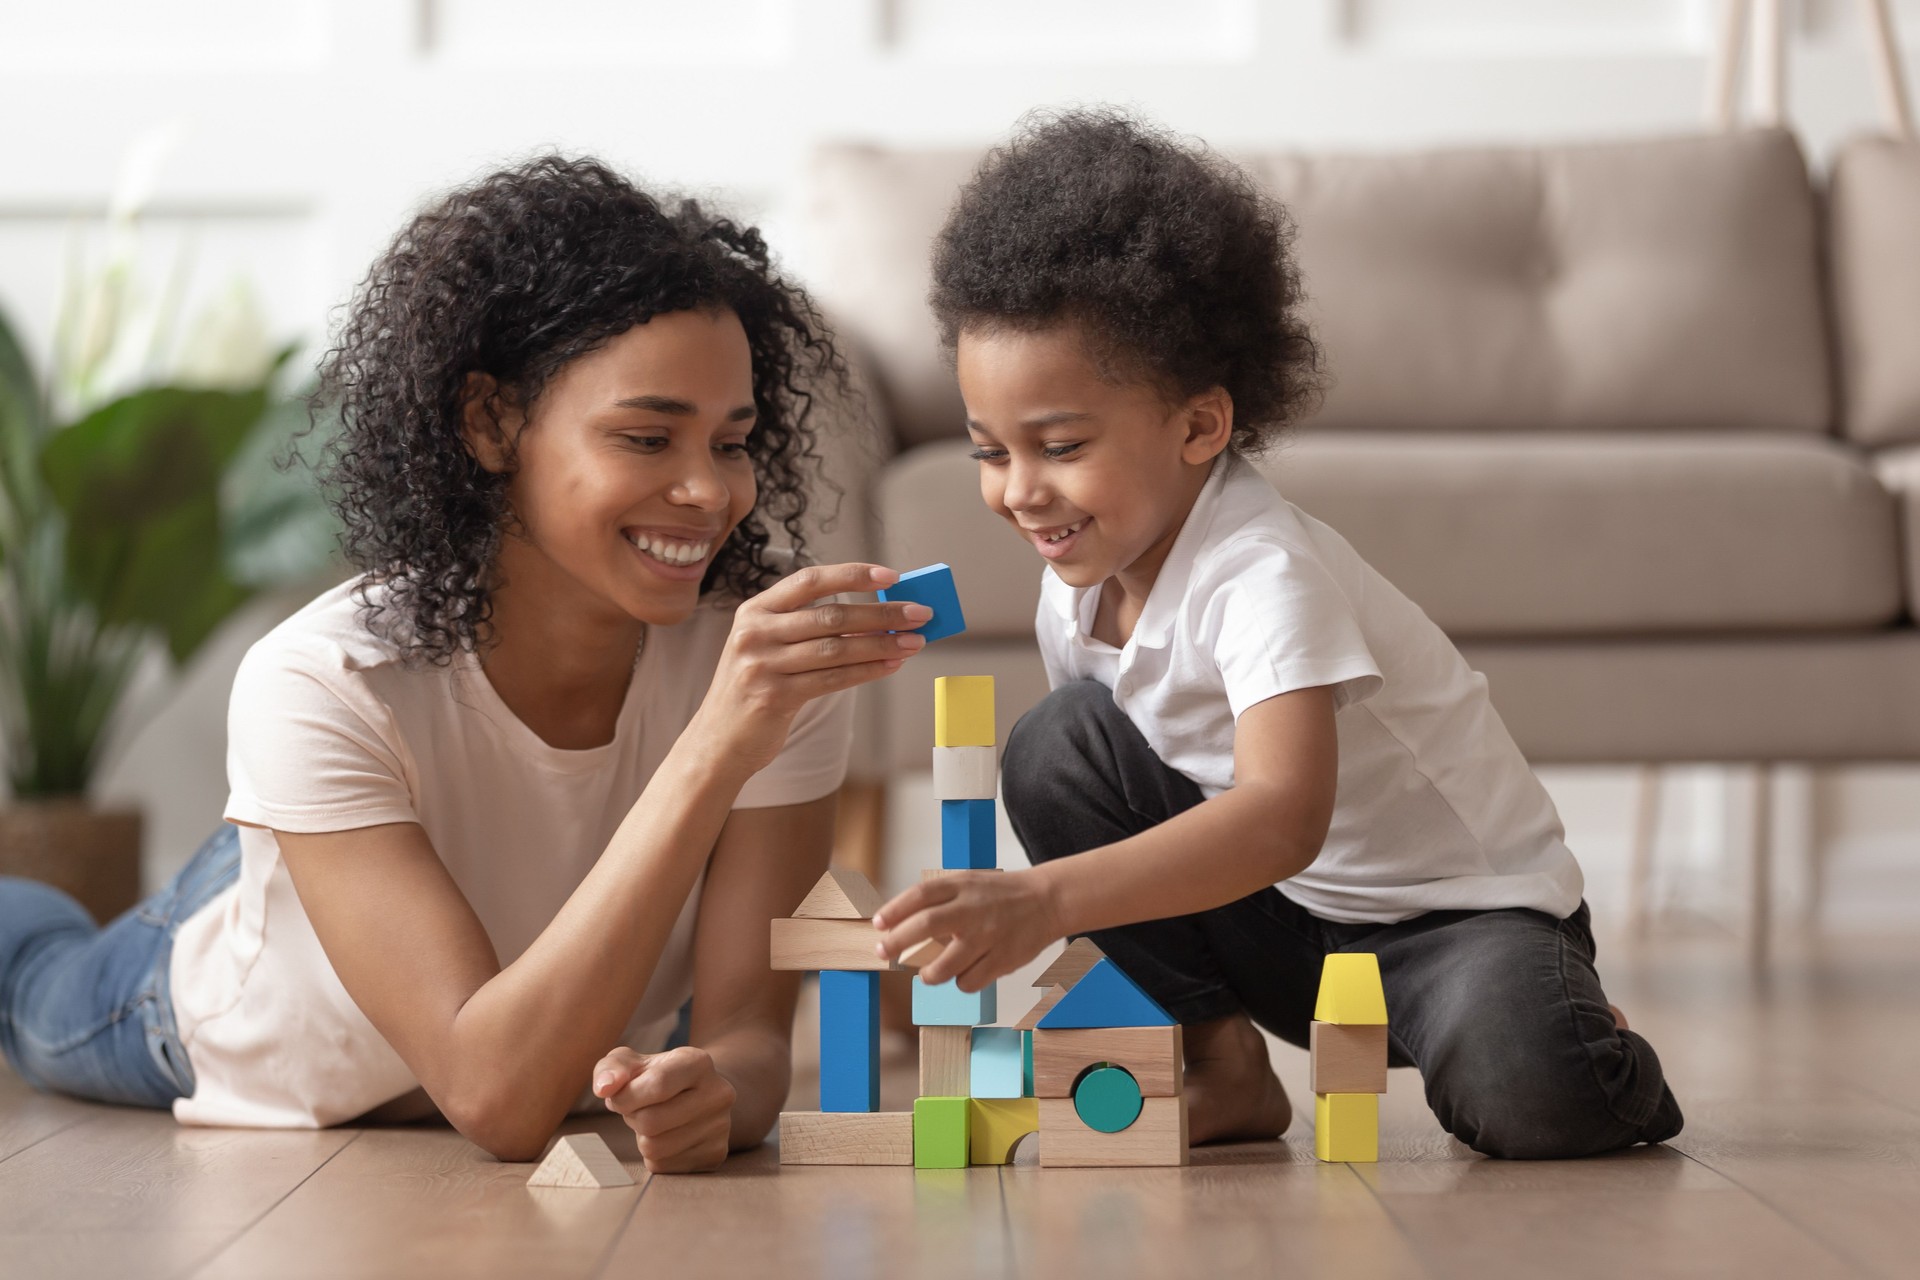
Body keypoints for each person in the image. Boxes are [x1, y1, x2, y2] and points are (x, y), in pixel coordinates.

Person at [0, 156, 929, 1171]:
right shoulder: (322, 676)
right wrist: (715, 745)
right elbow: (499, 1097)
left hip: (411, 838)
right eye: (648, 435)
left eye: (733, 441)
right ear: (490, 422)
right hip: (249, 986)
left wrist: (723, 1092)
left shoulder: (761, 658)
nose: (709, 491)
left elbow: (749, 1033)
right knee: (36, 978)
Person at [872, 110, 1683, 1159]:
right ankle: (1223, 1067)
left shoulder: (1263, 573)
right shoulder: (1078, 581)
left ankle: (1591, 1041)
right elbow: (1143, 810)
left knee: (1529, 1091)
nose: (1020, 491)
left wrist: (1040, 900)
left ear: (1201, 426)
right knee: (1057, 743)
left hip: (1454, 928)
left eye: (1060, 446)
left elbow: (1279, 815)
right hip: (1270, 926)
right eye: (991, 451)